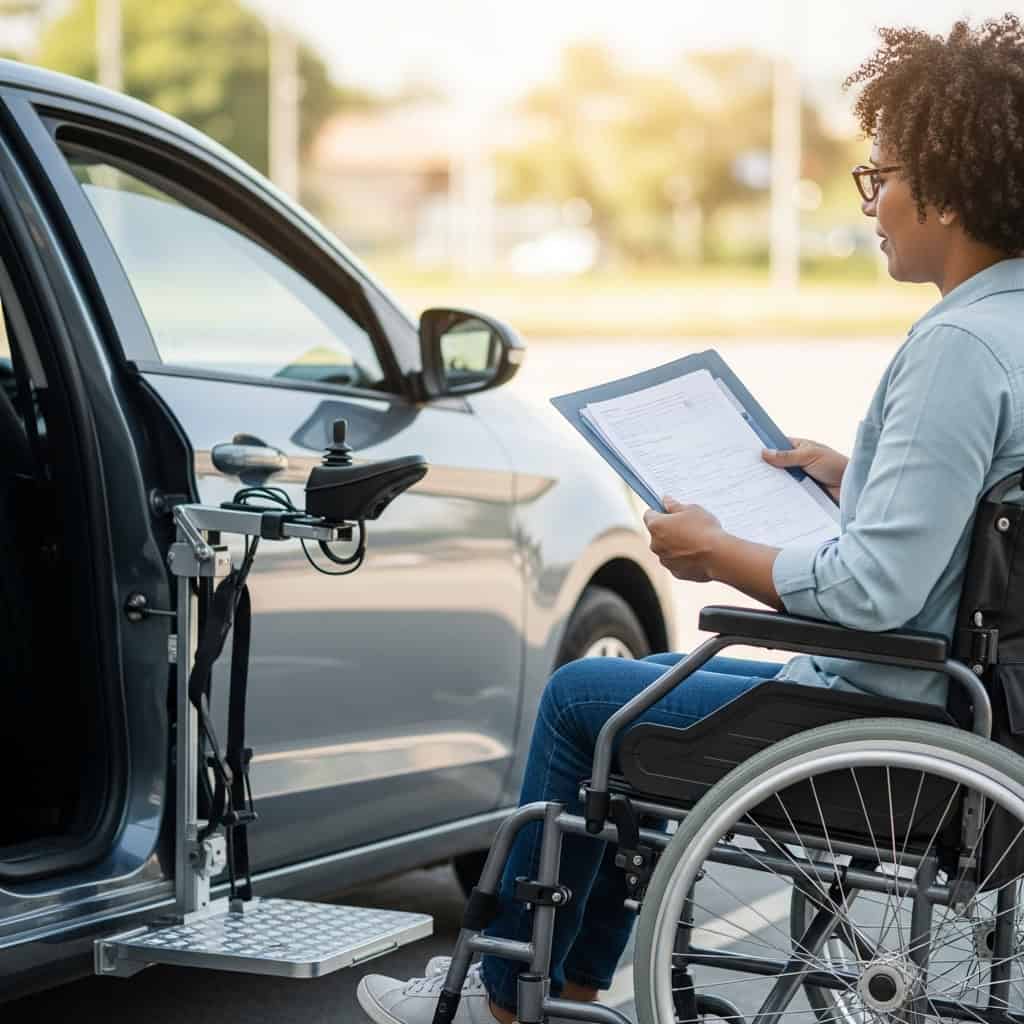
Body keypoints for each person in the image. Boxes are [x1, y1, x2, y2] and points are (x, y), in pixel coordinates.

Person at [358, 15, 1024, 1024]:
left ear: (943, 182)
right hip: (977, 705)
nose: (870, 205)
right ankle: (567, 986)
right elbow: (975, 526)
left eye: (878, 177)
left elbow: (873, 593)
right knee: (640, 701)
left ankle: (509, 999)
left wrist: (716, 552)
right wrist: (860, 479)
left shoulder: (954, 350)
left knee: (590, 696)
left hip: (891, 709)